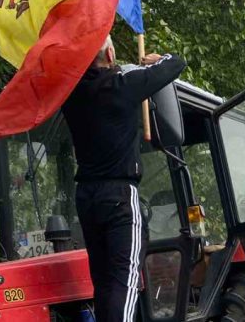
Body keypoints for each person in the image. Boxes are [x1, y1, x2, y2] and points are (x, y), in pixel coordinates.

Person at [62, 35, 186, 322]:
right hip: (119, 195)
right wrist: (159, 58)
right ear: (111, 53)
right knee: (126, 281)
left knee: (103, 283)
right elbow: (176, 64)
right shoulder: (123, 86)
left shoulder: (72, 95)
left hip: (86, 199)